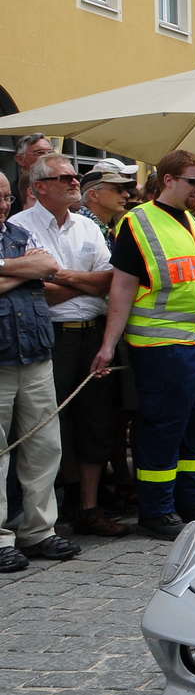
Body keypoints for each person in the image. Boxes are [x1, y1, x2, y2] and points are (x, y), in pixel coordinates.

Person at [90, 150, 195, 541]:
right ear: (167, 180)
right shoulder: (139, 222)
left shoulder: (191, 222)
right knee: (163, 429)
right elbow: (123, 286)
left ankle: (189, 498)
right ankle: (156, 509)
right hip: (163, 346)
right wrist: (108, 344)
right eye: (193, 181)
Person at [12, 154, 126, 537]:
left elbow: (110, 280)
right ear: (40, 186)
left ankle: (89, 506)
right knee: (46, 425)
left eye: (75, 176)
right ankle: (46, 511)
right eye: (65, 178)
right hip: (50, 336)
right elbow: (32, 292)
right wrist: (84, 281)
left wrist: (59, 275)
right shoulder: (18, 228)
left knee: (96, 420)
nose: (75, 181)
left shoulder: (87, 226)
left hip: (92, 331)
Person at [0, 170, 80, 571]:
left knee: (45, 447)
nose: (1, 205)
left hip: (34, 353)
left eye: (3, 197)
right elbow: (34, 271)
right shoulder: (18, 242)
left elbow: (47, 265)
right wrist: (22, 272)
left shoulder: (15, 233)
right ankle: (0, 538)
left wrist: (6, 270)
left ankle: (39, 531)